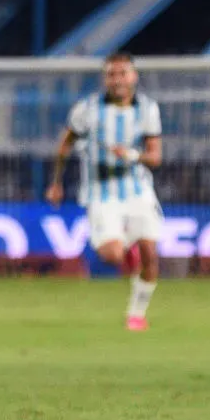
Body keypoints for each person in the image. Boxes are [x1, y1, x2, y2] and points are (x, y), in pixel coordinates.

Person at [45, 52, 164, 331]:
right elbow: (64, 146)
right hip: (101, 191)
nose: (117, 80)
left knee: (150, 253)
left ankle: (136, 314)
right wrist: (56, 182)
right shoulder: (86, 110)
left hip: (138, 190)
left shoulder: (148, 109)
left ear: (133, 77)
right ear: (105, 78)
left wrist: (133, 155)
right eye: (112, 74)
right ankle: (127, 249)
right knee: (112, 256)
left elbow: (155, 157)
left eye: (123, 73)